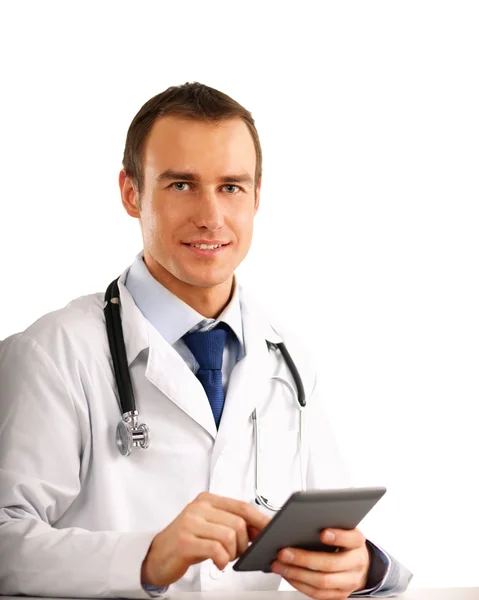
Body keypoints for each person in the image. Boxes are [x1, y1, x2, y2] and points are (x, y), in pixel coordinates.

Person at [0, 82, 412, 599]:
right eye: (181, 185)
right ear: (132, 193)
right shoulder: (52, 354)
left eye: (231, 187)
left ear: (257, 198)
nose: (211, 216)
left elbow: (337, 533)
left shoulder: (287, 360)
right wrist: (148, 557)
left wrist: (364, 569)